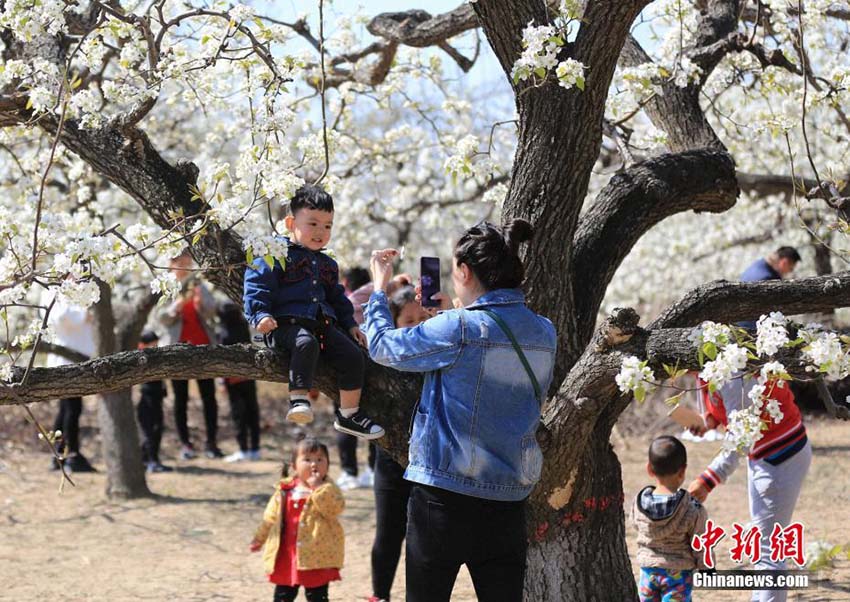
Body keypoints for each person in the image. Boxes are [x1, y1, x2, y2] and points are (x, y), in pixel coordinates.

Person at [365, 219, 556, 602]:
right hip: (507, 501)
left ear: (465, 272)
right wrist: (447, 316)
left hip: (443, 498)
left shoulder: (459, 327)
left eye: (453, 272)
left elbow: (383, 346)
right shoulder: (544, 331)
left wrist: (378, 289)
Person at [243, 184, 383, 440]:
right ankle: (298, 399)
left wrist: (351, 324)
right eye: (313, 224)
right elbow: (257, 284)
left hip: (322, 325)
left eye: (328, 226)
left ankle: (349, 415)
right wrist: (260, 314)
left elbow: (338, 298)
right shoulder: (277, 252)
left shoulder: (328, 264)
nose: (321, 232)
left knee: (354, 356)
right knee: (305, 343)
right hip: (285, 326)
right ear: (290, 222)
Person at [688, 377, 810, 602]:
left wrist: (709, 479)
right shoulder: (709, 367)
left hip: (779, 454)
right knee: (767, 546)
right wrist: (711, 420)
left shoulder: (733, 372)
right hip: (769, 453)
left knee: (769, 550)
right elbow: (736, 410)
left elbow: (741, 436)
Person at [368, 285, 431, 602]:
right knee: (388, 533)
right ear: (392, 325)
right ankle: (380, 595)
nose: (417, 326)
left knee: (421, 540)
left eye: (423, 318)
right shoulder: (382, 361)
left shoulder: (439, 353)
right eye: (408, 321)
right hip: (390, 459)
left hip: (429, 463)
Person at [250, 436, 345, 602]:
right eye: (307, 460)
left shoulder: (329, 489)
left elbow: (335, 510)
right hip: (287, 555)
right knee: (283, 595)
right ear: (294, 466)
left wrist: (317, 489)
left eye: (320, 459)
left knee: (317, 596)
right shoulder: (285, 490)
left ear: (328, 465)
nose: (314, 464)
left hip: (317, 556)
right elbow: (270, 518)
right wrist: (259, 538)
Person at [156, 250, 222, 459]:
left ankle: (211, 443)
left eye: (188, 263)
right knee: (180, 398)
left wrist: (201, 301)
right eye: (180, 263)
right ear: (171, 264)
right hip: (177, 349)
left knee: (208, 397)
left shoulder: (199, 285)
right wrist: (175, 307)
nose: (185, 267)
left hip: (203, 347)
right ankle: (185, 444)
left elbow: (212, 311)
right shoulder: (166, 287)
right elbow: (161, 317)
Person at [633, 436, 707, 602]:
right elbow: (700, 544)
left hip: (648, 572)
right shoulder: (692, 509)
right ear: (682, 471)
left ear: (649, 469)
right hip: (678, 576)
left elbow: (636, 526)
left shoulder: (639, 504)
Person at [42, 286, 97, 473]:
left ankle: (58, 453)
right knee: (71, 409)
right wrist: (84, 314)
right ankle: (71, 454)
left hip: (76, 358)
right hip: (66, 361)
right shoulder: (56, 292)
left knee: (67, 409)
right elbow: (61, 317)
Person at [218, 301, 262, 462]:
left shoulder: (224, 333)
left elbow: (222, 359)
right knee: (252, 412)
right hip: (248, 375)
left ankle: (244, 449)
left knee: (239, 415)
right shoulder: (243, 327)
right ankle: (255, 448)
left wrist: (222, 382)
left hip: (233, 379)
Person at [136, 330, 173, 473]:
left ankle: (150, 459)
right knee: (151, 432)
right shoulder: (142, 357)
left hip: (156, 400)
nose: (155, 348)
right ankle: (151, 460)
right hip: (148, 401)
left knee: (156, 430)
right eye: (152, 345)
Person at [739, 247, 801, 330]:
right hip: (751, 328)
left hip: (740, 323)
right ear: (784, 262)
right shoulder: (768, 278)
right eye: (791, 268)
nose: (790, 272)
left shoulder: (758, 264)